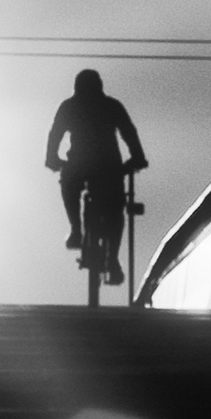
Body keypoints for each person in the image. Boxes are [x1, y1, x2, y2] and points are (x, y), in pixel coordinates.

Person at [44, 69, 149, 283]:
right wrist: (137, 158)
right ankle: (112, 259)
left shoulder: (69, 106)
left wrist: (52, 159)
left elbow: (55, 134)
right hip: (109, 165)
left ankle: (76, 230)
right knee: (116, 208)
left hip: (79, 164)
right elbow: (129, 132)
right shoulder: (112, 106)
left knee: (68, 185)